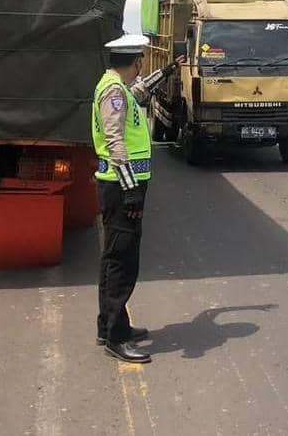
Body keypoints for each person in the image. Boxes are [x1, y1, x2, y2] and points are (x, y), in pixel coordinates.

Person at [91, 34, 183, 364]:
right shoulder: (114, 92)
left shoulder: (117, 87)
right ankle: (116, 338)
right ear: (137, 62)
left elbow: (139, 93)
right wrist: (131, 190)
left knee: (114, 258)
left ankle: (110, 326)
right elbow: (115, 141)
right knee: (122, 262)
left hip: (119, 186)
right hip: (121, 188)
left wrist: (167, 71)